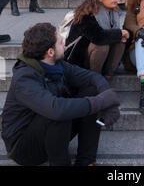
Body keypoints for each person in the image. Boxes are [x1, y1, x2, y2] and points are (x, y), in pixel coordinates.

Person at [1, 23, 120, 166]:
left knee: (91, 91)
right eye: (60, 41)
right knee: (59, 113)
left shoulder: (56, 64)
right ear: (50, 52)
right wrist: (101, 102)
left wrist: (108, 100)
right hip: (24, 148)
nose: (64, 41)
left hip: (50, 132)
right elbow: (56, 110)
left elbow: (92, 78)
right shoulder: (25, 78)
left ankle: (86, 161)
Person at [66, 0, 131, 78]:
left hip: (102, 58)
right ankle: (95, 77)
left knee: (120, 41)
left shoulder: (114, 13)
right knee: (102, 45)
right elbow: (98, 37)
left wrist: (123, 35)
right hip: (80, 59)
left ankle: (108, 74)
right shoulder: (87, 14)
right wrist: (121, 33)